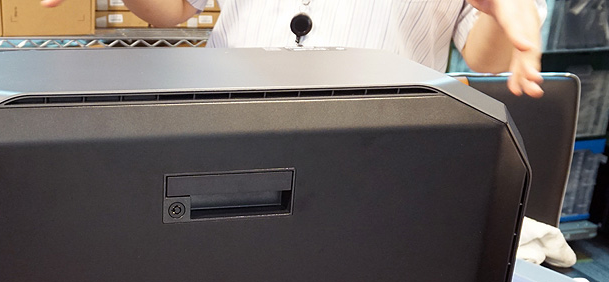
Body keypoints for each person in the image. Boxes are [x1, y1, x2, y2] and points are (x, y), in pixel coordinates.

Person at [41, 0, 547, 97]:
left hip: (379, 141)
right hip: (227, 120)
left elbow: (486, 57)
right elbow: (171, 10)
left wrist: (510, 15)